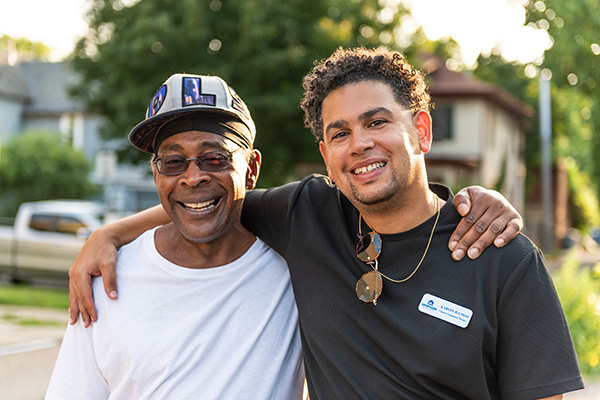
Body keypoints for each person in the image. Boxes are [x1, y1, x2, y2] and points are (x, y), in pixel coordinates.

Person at [67, 49, 552, 398]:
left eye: (377, 122)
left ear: (420, 131)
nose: (359, 143)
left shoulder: (504, 258)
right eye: (340, 133)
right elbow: (211, 196)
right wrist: (108, 233)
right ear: (326, 154)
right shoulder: (308, 215)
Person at [46, 74, 305, 399]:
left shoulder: (296, 269)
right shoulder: (104, 279)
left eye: (214, 158)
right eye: (173, 162)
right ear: (156, 174)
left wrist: (112, 230)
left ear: (250, 168)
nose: (192, 177)